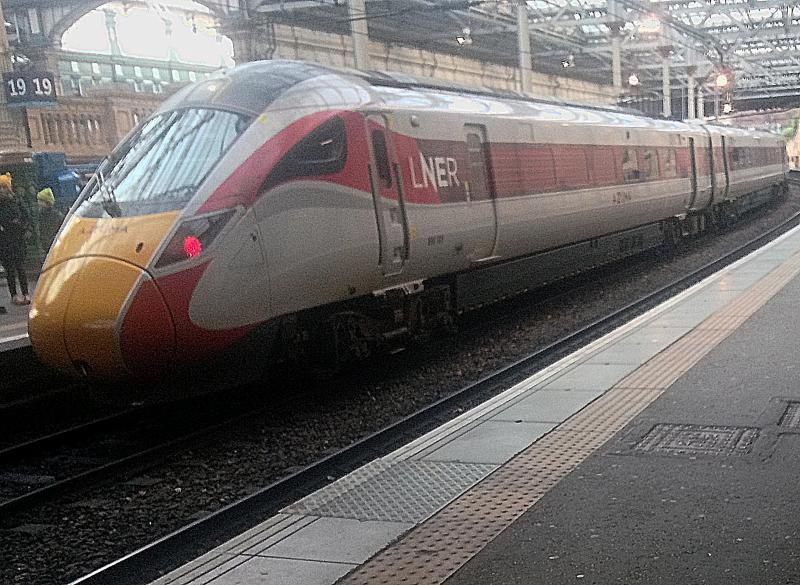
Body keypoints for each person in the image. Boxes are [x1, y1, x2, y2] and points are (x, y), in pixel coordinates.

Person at [0, 173, 32, 305]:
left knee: (20, 267)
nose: (2, 190)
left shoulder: (17, 201)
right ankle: (14, 295)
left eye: (4, 187)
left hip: (17, 238)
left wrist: (25, 228)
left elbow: (26, 215)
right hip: (5, 239)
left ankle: (25, 293)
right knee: (10, 270)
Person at [37, 187, 64, 253]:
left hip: (53, 244)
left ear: (47, 202)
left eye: (41, 200)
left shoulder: (56, 215)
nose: (38, 203)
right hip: (48, 244)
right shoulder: (42, 215)